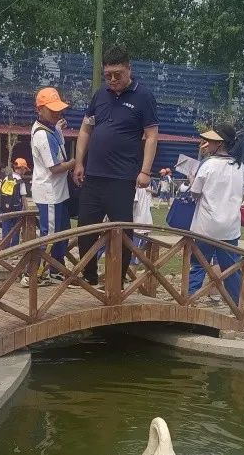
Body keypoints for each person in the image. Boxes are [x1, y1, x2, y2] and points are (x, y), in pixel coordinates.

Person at [72, 46, 159, 289]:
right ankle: (88, 276)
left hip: (122, 179)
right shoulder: (100, 94)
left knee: (121, 232)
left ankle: (116, 282)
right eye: (107, 75)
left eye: (117, 74)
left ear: (129, 69)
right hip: (93, 176)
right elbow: (86, 128)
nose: (112, 80)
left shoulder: (144, 96)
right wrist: (79, 162)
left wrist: (145, 171)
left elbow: (151, 136)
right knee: (86, 230)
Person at [187, 125, 244, 304]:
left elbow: (195, 193)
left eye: (211, 141)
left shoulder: (209, 165)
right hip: (230, 227)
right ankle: (236, 305)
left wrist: (192, 180)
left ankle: (190, 301)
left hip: (205, 226)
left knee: (198, 265)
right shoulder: (240, 167)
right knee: (231, 268)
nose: (208, 144)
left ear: (220, 143)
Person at [29, 87, 76, 286]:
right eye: (51, 110)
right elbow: (55, 168)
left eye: (58, 109)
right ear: (40, 110)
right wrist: (77, 162)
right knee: (49, 235)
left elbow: (58, 147)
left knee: (62, 231)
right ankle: (35, 273)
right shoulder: (42, 135)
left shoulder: (50, 128)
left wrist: (58, 127)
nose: (57, 113)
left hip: (59, 192)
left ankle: (55, 269)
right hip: (49, 192)